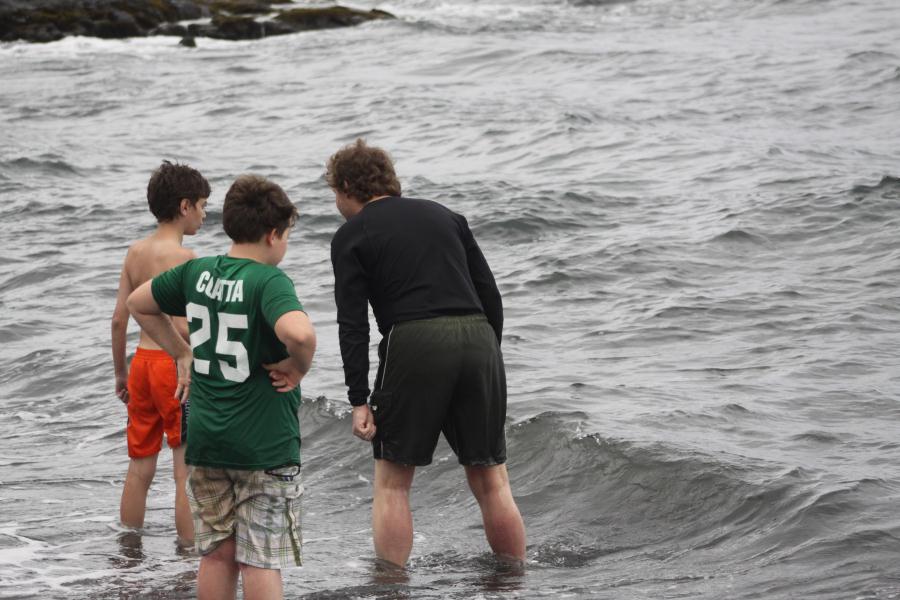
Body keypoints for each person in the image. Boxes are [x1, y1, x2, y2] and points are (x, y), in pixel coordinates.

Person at [327, 139, 527, 568]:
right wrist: (488, 353)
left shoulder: (352, 234)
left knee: (393, 483)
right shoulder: (446, 216)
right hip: (478, 336)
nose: (336, 204)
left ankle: (392, 587)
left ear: (346, 188)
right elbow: (490, 294)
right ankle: (514, 580)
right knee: (492, 479)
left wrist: (358, 398)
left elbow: (352, 323)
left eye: (334, 194)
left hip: (414, 339)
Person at [126, 175, 317, 599]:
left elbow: (137, 303)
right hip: (264, 446)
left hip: (208, 440)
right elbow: (300, 334)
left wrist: (181, 353)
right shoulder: (268, 281)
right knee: (259, 560)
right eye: (287, 236)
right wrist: (298, 366)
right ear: (272, 235)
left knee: (216, 555)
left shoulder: (196, 272)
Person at [111, 160, 209, 546]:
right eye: (202, 206)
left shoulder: (134, 252)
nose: (204, 214)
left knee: (140, 468)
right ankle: (188, 554)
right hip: (173, 369)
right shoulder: (187, 259)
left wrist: (120, 374)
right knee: (184, 470)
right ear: (185, 206)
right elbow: (185, 327)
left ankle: (128, 549)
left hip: (141, 366)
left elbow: (119, 320)